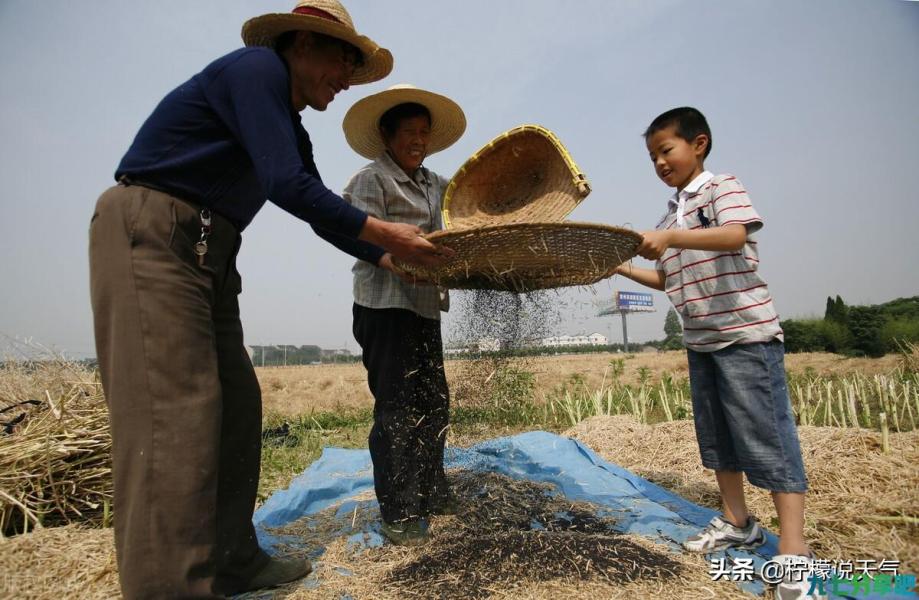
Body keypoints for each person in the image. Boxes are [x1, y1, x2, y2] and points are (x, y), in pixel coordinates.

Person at [88, 2, 450, 598]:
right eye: (342, 62)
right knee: (173, 419)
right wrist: (388, 233)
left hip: (211, 252)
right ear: (302, 43)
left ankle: (232, 559)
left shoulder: (288, 122)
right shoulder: (257, 69)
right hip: (154, 236)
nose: (345, 80)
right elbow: (288, 186)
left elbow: (315, 207)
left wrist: (391, 258)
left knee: (234, 407)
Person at [615, 107, 818, 600]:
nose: (660, 162)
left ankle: (794, 548)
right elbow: (668, 279)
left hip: (745, 334)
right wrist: (619, 268)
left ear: (698, 144)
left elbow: (735, 235)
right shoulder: (670, 213)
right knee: (719, 436)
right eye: (652, 156)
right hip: (702, 341)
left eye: (666, 150)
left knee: (766, 436)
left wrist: (669, 237)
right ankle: (737, 520)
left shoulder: (718, 187)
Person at [339, 84, 466, 545]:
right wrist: (392, 258)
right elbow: (354, 234)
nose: (419, 140)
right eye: (409, 132)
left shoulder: (437, 184)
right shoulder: (371, 180)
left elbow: (465, 219)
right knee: (396, 408)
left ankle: (432, 489)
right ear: (388, 137)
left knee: (434, 402)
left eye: (425, 133)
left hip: (425, 306)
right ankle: (399, 508)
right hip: (384, 305)